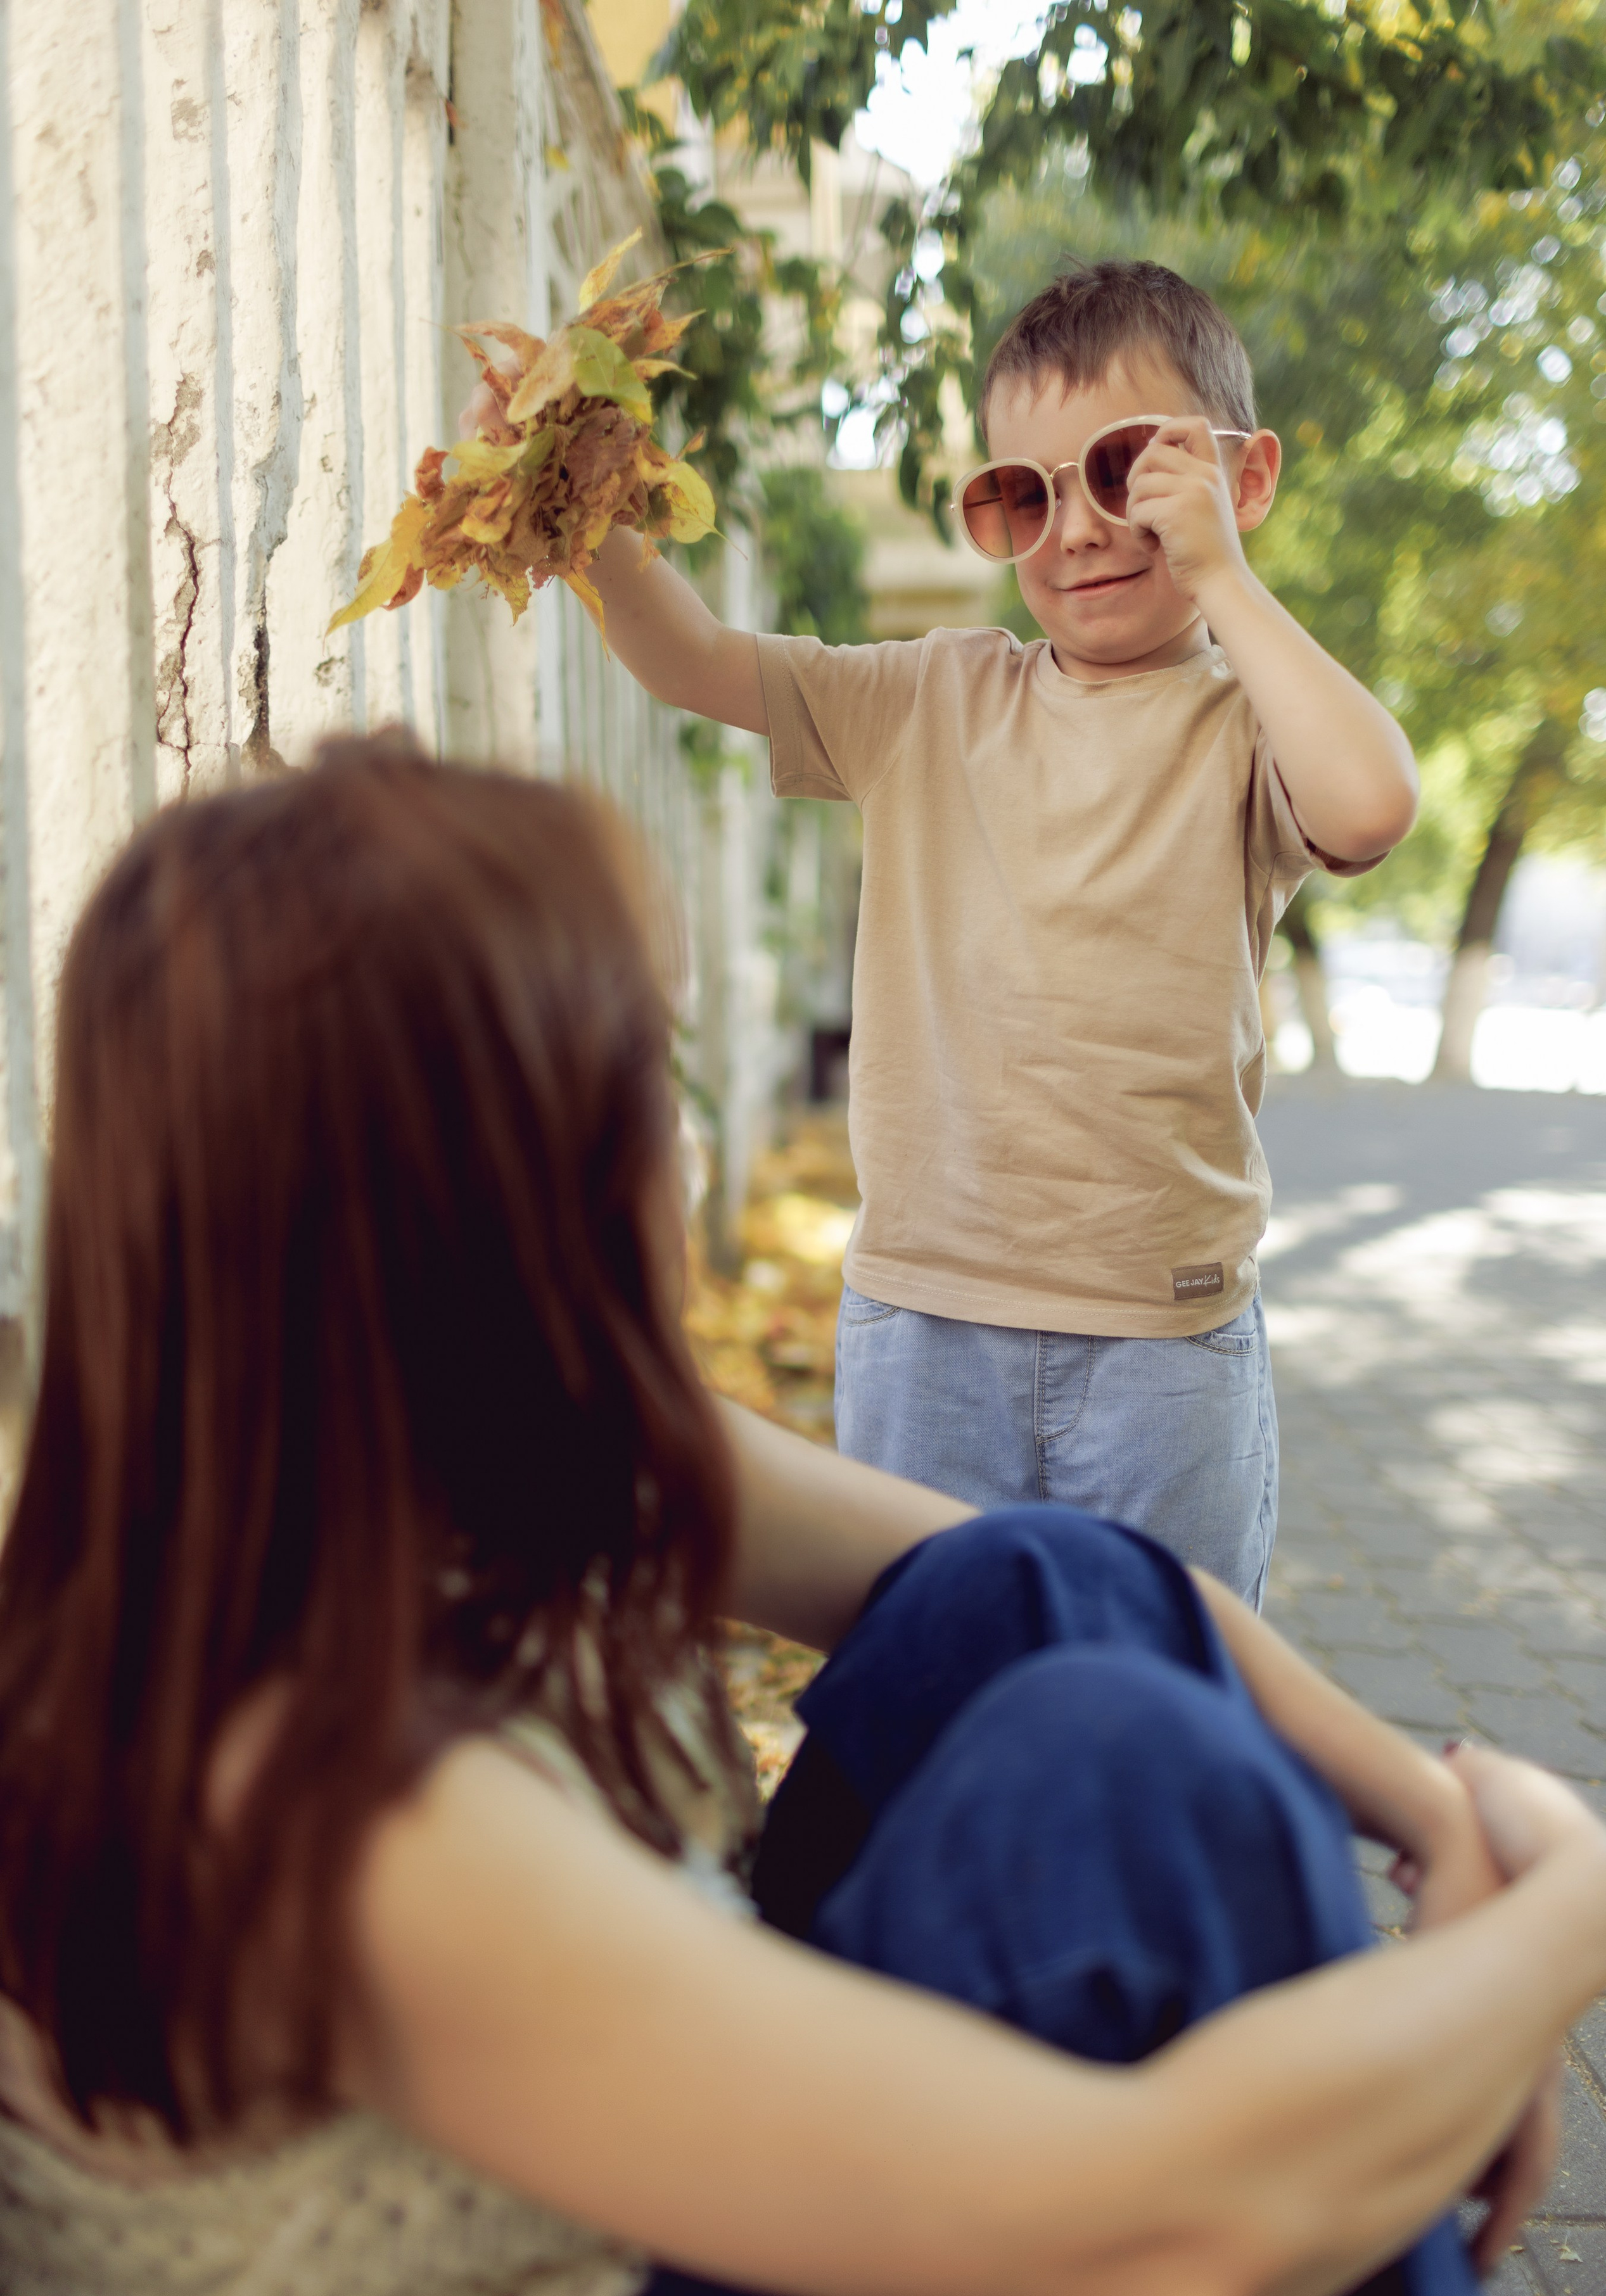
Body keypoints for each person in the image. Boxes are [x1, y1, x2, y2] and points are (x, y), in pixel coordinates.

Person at [0, 742, 1606, 2296]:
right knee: (1123, 1780)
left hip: (665, 2275)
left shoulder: (447, 1457)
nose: (686, 1146)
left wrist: (1437, 1825)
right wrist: (1555, 1934)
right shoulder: (328, 1810)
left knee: (1030, 1600)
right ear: (488, 1191)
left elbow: (1078, 1585)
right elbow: (1165, 2230)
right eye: (646, 1072)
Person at [507, 257, 1420, 1607]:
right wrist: (573, 494)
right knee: (931, 1686)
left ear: (1242, 480)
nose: (1076, 529)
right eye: (1019, 494)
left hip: (1160, 1337)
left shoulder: (1244, 727)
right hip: (922, 1322)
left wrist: (1220, 575)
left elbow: (1372, 802)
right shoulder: (927, 698)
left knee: (1156, 1706)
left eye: (1123, 472)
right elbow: (693, 657)